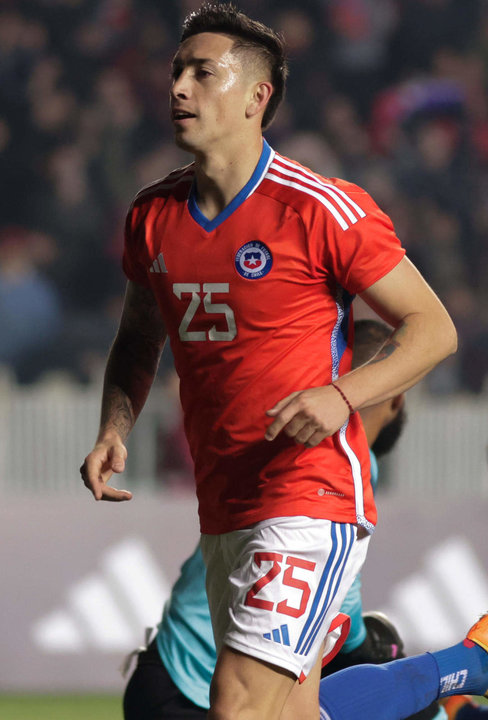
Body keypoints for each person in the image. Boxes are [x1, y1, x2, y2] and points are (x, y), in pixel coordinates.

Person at [79, 4, 463, 719]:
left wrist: (341, 396)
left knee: (238, 704)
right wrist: (114, 426)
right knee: (287, 712)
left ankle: (459, 670)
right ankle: (469, 670)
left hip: (308, 495)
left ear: (258, 97)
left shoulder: (321, 209)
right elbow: (139, 337)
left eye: (203, 73)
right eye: (176, 72)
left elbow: (432, 328)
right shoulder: (151, 217)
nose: (180, 89)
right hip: (226, 502)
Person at [122, 318, 438, 720]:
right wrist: (377, 646)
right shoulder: (347, 466)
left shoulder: (288, 441)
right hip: (205, 694)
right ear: (397, 399)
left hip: (168, 677)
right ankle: (469, 669)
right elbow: (342, 608)